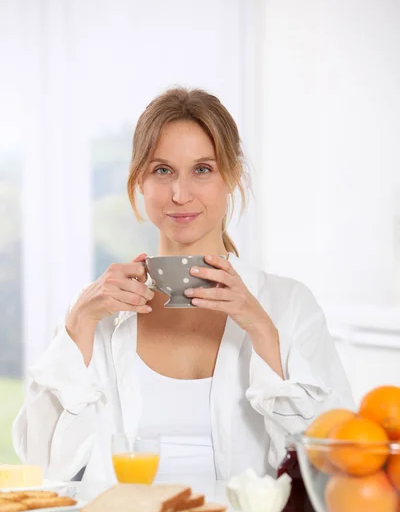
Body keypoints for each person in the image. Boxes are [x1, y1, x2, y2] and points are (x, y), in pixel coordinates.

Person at [13, 87, 354, 484]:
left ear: (231, 178)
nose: (180, 194)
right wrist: (79, 325)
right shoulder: (100, 312)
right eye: (162, 170)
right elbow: (42, 465)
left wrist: (260, 329)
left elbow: (335, 463)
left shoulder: (289, 304)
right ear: (140, 180)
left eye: (202, 169)